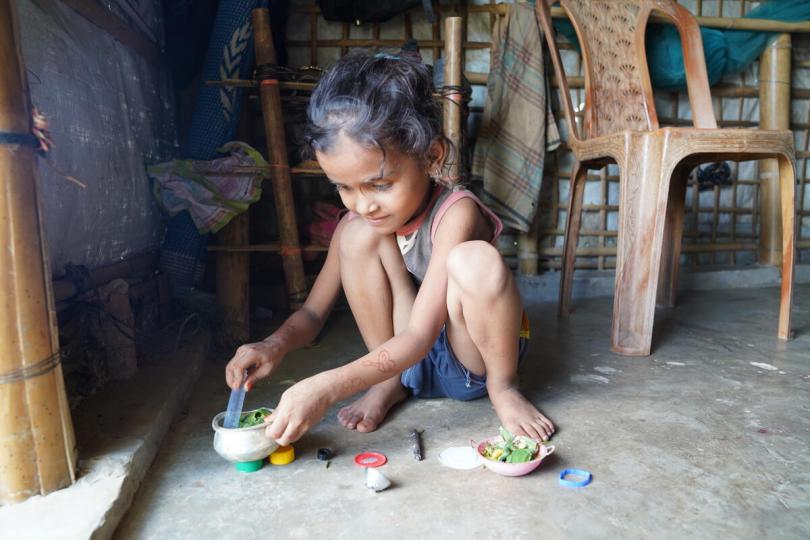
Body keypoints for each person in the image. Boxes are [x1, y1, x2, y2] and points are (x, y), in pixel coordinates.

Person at [224, 53, 555, 446]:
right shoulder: (364, 219)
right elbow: (313, 313)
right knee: (355, 232)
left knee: (474, 261)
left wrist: (327, 387)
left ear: (430, 157)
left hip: (467, 360)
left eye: (379, 185)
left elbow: (418, 334)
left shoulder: (457, 212)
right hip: (403, 358)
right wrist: (272, 344)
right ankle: (388, 384)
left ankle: (505, 388)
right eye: (344, 188)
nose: (364, 204)